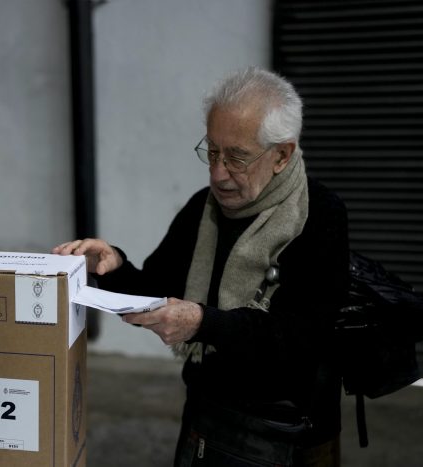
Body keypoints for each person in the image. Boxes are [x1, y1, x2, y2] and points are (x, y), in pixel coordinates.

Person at [53, 66, 349, 466]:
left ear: (282, 155)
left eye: (237, 157)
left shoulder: (319, 216)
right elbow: (156, 290)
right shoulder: (203, 210)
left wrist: (201, 323)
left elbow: (301, 337)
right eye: (211, 151)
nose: (218, 173)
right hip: (209, 418)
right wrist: (113, 266)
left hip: (289, 433)